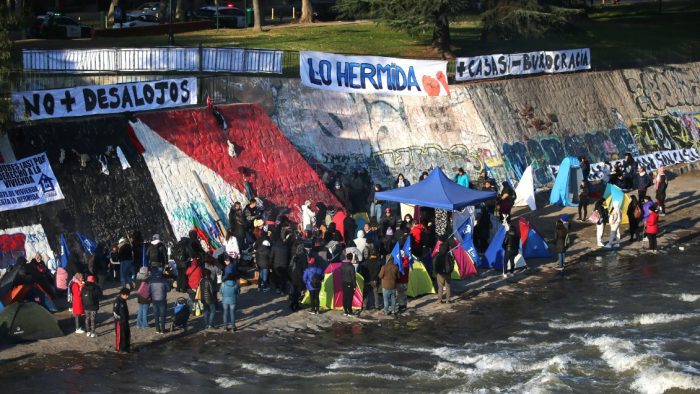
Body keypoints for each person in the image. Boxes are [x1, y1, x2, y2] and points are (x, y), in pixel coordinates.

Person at [360, 246, 382, 311]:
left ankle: (364, 306)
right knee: (375, 293)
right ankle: (377, 306)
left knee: (366, 293)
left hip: (367, 280)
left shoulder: (365, 262)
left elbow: (362, 271)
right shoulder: (379, 263)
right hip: (375, 280)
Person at [288, 244, 307, 312]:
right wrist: (303, 277)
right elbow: (304, 267)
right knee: (298, 291)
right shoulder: (303, 256)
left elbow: (290, 266)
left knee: (294, 290)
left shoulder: (295, 256)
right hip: (298, 276)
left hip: (293, 275)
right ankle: (295, 305)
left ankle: (292, 303)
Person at [113, 288, 131, 353]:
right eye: (126, 295)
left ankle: (126, 347)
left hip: (125, 321)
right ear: (122, 294)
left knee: (127, 334)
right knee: (120, 335)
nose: (127, 296)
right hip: (120, 322)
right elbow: (115, 312)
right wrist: (119, 320)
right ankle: (119, 348)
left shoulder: (124, 300)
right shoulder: (117, 301)